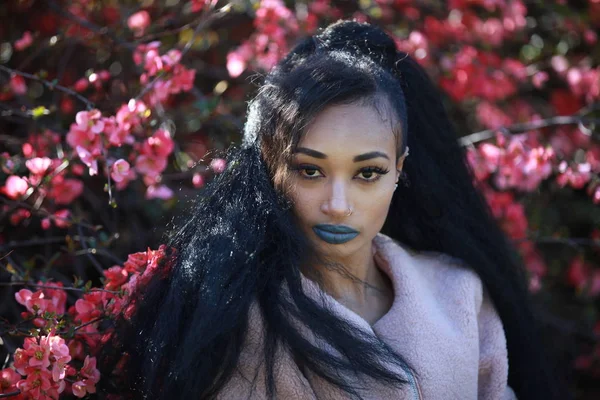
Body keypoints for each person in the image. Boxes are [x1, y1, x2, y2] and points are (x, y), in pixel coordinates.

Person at [98, 20, 569, 400]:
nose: (337, 205)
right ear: (270, 165)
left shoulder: (459, 291)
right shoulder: (245, 328)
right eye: (309, 171)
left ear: (400, 169)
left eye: (368, 173)